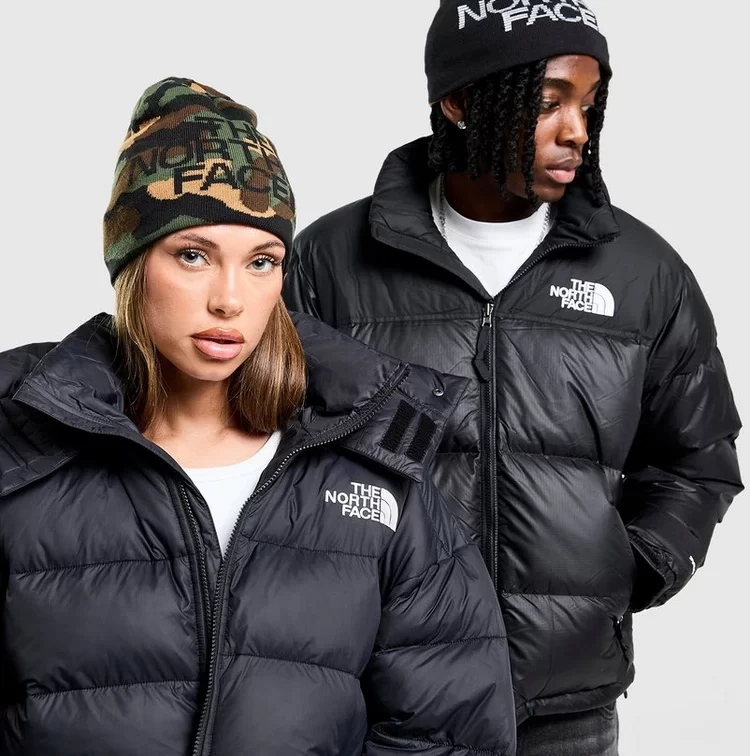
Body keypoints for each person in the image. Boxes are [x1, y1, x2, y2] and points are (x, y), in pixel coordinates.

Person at [0, 77, 517, 756]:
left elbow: (451, 731)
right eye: (193, 256)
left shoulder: (373, 459)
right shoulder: (18, 452)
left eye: (261, 262)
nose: (230, 299)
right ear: (131, 264)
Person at [283, 2, 744, 754]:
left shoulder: (644, 274)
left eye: (588, 104)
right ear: (461, 101)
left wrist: (629, 568)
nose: (577, 131)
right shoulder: (331, 263)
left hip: (567, 710)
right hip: (386, 700)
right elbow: (267, 455)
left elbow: (698, 459)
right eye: (548, 101)